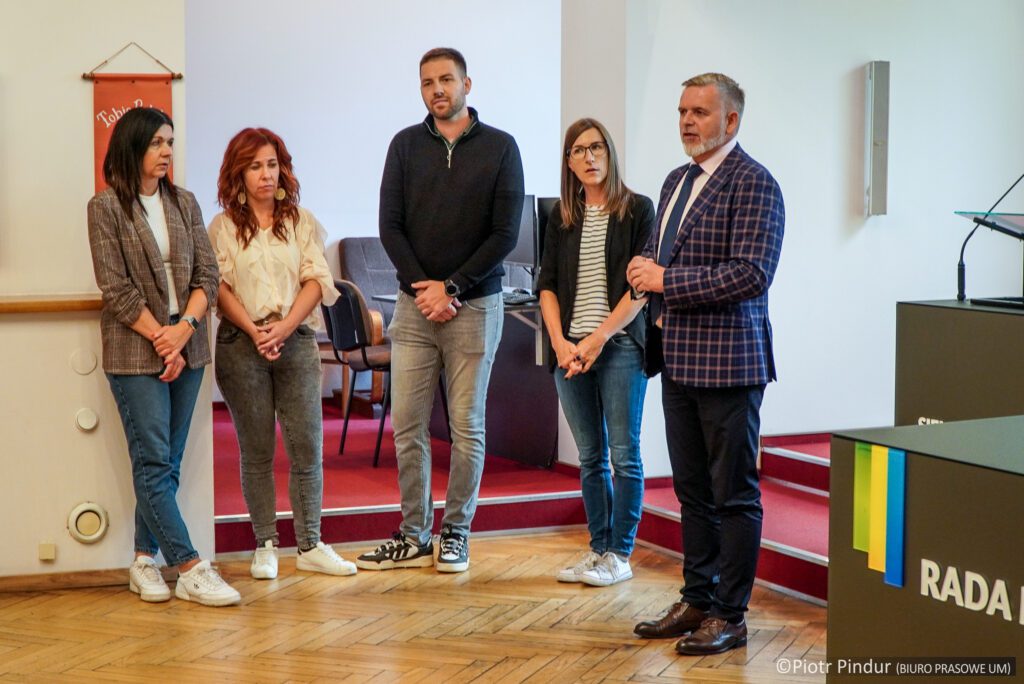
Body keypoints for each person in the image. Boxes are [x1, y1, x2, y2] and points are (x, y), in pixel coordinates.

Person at [627, 73, 784, 655]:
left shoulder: (755, 183)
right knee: (692, 491)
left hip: (729, 364)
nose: (688, 122)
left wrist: (665, 279)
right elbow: (658, 253)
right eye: (682, 112)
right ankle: (697, 599)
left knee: (733, 495)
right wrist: (642, 267)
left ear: (732, 120)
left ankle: (730, 615)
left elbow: (751, 274)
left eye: (700, 112)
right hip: (677, 359)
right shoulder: (677, 180)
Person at [358, 47, 524, 573]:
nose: (437, 90)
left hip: (475, 306)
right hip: (414, 310)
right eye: (428, 82)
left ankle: (456, 531)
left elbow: (505, 233)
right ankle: (414, 534)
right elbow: (390, 226)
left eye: (446, 80)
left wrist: (451, 287)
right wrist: (425, 289)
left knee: (466, 426)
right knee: (406, 426)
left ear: (466, 84)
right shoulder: (405, 145)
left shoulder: (501, 147)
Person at [88, 107, 240, 607]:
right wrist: (162, 339)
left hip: (188, 343)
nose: (166, 151)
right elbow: (115, 288)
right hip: (137, 349)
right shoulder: (105, 207)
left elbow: (208, 276)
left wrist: (184, 331)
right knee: (153, 461)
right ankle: (190, 566)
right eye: (156, 143)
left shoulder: (185, 202)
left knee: (166, 464)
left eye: (170, 142)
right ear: (131, 147)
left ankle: (142, 559)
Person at [209, 128, 356, 580]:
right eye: (255, 166)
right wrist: (255, 331)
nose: (265, 174)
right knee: (256, 449)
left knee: (307, 446)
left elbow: (317, 279)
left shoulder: (300, 221)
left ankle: (310, 543)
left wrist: (285, 327)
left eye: (272, 164)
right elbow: (218, 287)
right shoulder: (222, 227)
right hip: (241, 342)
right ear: (239, 173)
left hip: (295, 340)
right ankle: (265, 544)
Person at [536, 118, 654, 587]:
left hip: (619, 345)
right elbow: (547, 285)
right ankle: (598, 548)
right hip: (570, 350)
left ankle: (620, 554)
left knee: (624, 454)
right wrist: (560, 344)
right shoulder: (561, 217)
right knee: (590, 456)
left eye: (597, 147)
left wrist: (598, 337)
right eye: (579, 150)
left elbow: (640, 289)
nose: (589, 157)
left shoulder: (638, 210)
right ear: (568, 162)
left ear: (610, 153)